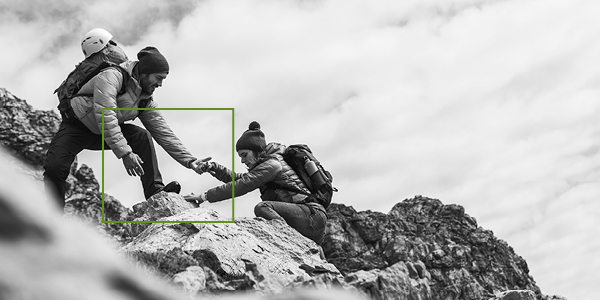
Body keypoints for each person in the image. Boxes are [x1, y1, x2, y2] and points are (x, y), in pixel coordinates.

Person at [44, 45, 207, 208]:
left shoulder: (145, 100)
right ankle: (54, 215)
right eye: (158, 78)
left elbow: (164, 133)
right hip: (77, 127)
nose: (160, 84)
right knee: (54, 167)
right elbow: (106, 115)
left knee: (142, 137)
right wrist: (125, 153)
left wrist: (190, 161)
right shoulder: (111, 76)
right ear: (145, 73)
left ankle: (155, 192)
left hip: (104, 132)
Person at [184, 121, 328, 245]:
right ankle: (316, 252)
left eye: (244, 155)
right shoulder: (266, 166)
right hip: (310, 220)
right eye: (240, 156)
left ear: (256, 150)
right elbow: (240, 179)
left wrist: (204, 196)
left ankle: (290, 241)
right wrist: (213, 167)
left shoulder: (272, 165)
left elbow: (241, 185)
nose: (242, 160)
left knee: (262, 208)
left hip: (311, 215)